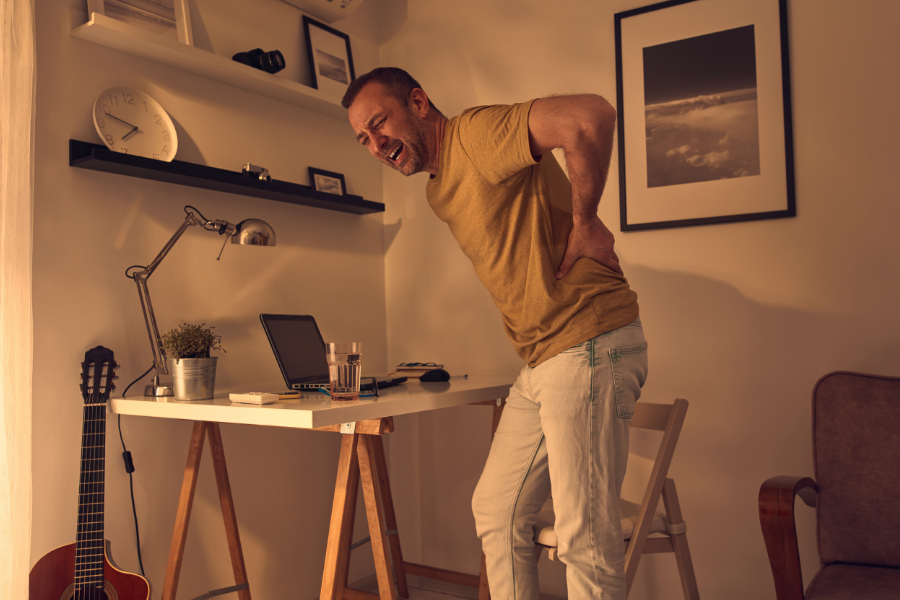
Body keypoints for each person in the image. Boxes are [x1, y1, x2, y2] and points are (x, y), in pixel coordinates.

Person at [343, 67, 648, 600]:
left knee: (584, 538)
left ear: (418, 102)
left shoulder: (475, 137)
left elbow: (589, 117)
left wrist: (586, 220)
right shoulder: (440, 189)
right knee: (496, 509)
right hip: (545, 359)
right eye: (364, 138)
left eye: (379, 123)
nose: (375, 144)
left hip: (586, 342)